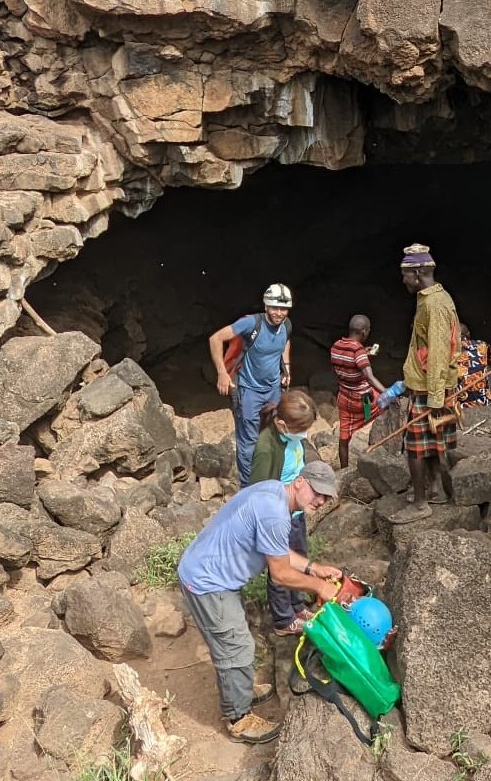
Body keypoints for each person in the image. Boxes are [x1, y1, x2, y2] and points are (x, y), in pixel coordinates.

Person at [177, 460, 344, 744]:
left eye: (326, 497)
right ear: (301, 482)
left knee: (235, 640)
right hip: (208, 582)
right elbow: (279, 574)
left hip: (208, 570)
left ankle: (239, 689)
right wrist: (319, 587)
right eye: (317, 492)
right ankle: (238, 718)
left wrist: (313, 568)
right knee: (236, 647)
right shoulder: (275, 514)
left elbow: (276, 549)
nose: (321, 501)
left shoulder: (274, 492)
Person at [391, 243, 460, 524]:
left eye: (406, 274)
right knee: (433, 441)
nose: (403, 280)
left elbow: (439, 353)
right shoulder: (432, 298)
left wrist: (434, 398)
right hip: (428, 383)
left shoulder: (434, 305)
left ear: (418, 273)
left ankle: (421, 504)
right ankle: (435, 490)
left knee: (416, 446)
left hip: (430, 387)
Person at [250, 389, 323, 637]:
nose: (305, 435)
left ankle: (297, 606)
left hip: (295, 511)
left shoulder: (292, 439)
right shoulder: (266, 448)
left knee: (300, 556)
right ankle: (283, 619)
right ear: (282, 425)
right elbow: (258, 491)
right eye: (302, 430)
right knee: (280, 567)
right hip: (278, 516)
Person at [209, 283, 293, 485]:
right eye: (274, 307)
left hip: (273, 390)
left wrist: (287, 368)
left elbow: (285, 342)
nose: (279, 313)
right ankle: (248, 488)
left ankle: (271, 480)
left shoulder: (287, 325)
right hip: (248, 391)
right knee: (248, 442)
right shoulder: (252, 324)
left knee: (276, 434)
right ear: (266, 306)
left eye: (283, 309)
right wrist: (222, 373)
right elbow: (215, 338)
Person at [330, 315, 389, 469]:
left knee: (344, 438)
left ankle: (343, 471)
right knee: (385, 407)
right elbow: (370, 377)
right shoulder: (358, 351)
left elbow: (343, 362)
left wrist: (363, 353)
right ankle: (373, 448)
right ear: (364, 332)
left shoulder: (336, 346)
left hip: (344, 398)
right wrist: (388, 393)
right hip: (363, 400)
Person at [455, 323, 491, 410]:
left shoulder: (450, 354)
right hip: (485, 402)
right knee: (487, 369)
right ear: (468, 334)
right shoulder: (482, 345)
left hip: (463, 405)